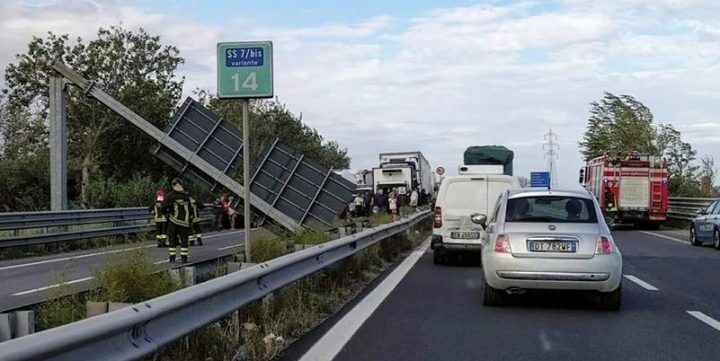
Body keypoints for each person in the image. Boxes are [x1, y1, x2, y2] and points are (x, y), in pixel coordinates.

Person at [162, 178, 193, 263]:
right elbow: (190, 209)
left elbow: (163, 208)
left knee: (172, 239)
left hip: (174, 221)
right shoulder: (186, 196)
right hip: (185, 222)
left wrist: (167, 215)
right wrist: (190, 219)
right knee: (184, 240)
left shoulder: (170, 196)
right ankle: (184, 258)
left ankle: (172, 258)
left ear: (173, 186)